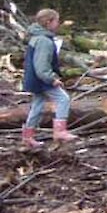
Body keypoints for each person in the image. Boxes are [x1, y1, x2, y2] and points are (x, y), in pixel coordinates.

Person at [21, 9, 78, 147]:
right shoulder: (44, 41)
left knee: (38, 105)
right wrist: (52, 79)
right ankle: (60, 131)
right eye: (56, 21)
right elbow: (41, 66)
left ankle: (28, 136)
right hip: (41, 79)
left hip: (34, 78)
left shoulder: (36, 37)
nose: (58, 24)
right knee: (63, 99)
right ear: (48, 22)